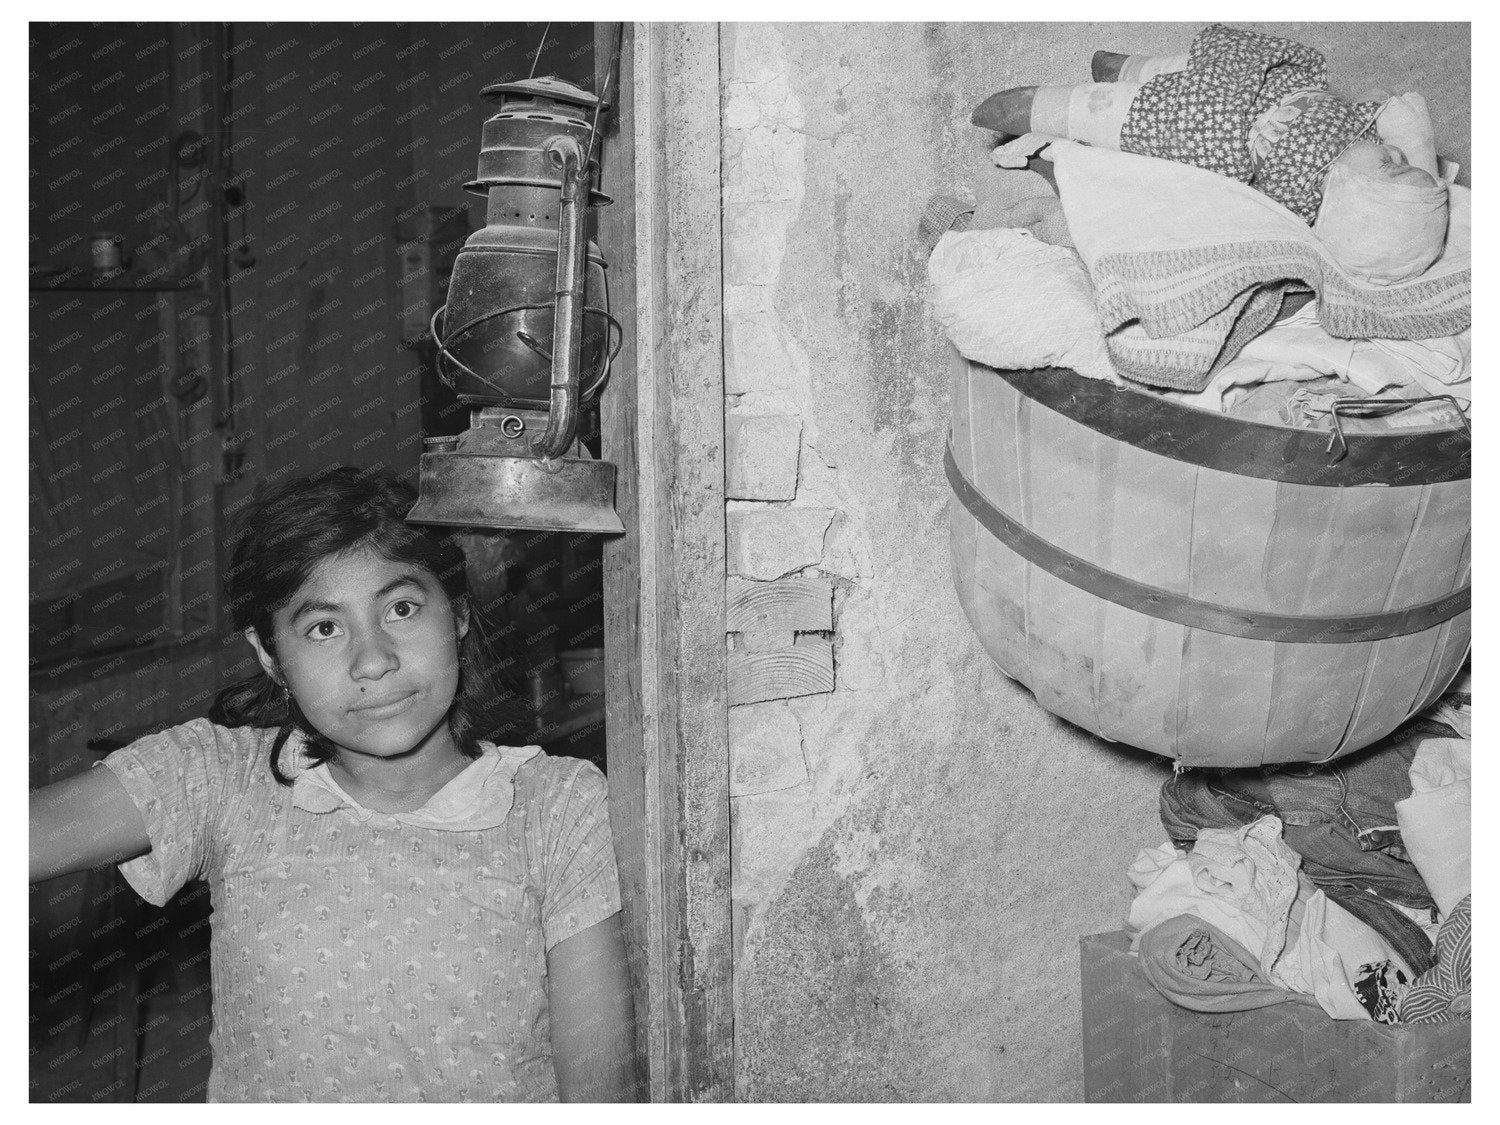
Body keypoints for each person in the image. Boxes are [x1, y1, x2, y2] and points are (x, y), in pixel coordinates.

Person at [29, 467, 636, 1103]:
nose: (373, 660)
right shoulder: (219, 780)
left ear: (456, 613)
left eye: (401, 609)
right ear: (270, 655)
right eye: (324, 627)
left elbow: (600, 1091)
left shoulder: (554, 805)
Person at [972, 23, 1450, 285]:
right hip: (1263, 81)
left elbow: (1226, 210)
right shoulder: (1360, 130)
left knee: (1166, 115)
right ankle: (1128, 68)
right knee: (1203, 65)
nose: (1394, 152)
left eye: (1392, 165)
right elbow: (1406, 115)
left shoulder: (1301, 203)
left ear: (1354, 203)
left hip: (1212, 125)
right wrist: (1417, 163)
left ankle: (1056, 108)